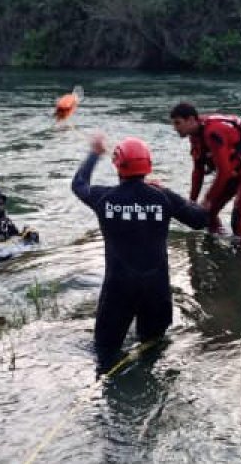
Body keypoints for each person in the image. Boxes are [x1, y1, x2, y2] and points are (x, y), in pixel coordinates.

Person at [71, 133, 208, 373]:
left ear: (117, 165)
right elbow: (199, 220)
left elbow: (79, 184)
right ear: (148, 166)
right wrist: (166, 190)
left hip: (117, 290)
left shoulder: (104, 197)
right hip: (156, 290)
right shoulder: (163, 197)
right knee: (153, 351)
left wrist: (94, 154)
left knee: (105, 354)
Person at [169, 102, 241, 244]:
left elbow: (224, 172)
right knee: (207, 216)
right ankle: (216, 245)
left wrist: (208, 198)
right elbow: (198, 171)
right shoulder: (195, 135)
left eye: (178, 123)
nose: (175, 128)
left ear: (191, 120)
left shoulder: (213, 133)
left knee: (238, 217)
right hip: (231, 173)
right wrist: (192, 202)